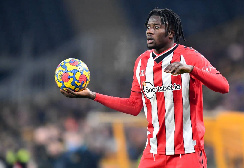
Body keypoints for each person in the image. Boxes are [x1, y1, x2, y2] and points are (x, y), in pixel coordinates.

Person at [60, 8, 229, 168]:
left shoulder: (190, 56)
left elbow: (223, 86)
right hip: (153, 153)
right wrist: (92, 95)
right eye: (148, 27)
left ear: (170, 33)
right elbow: (134, 107)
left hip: (187, 153)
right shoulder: (142, 62)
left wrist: (191, 69)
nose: (149, 31)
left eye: (156, 27)